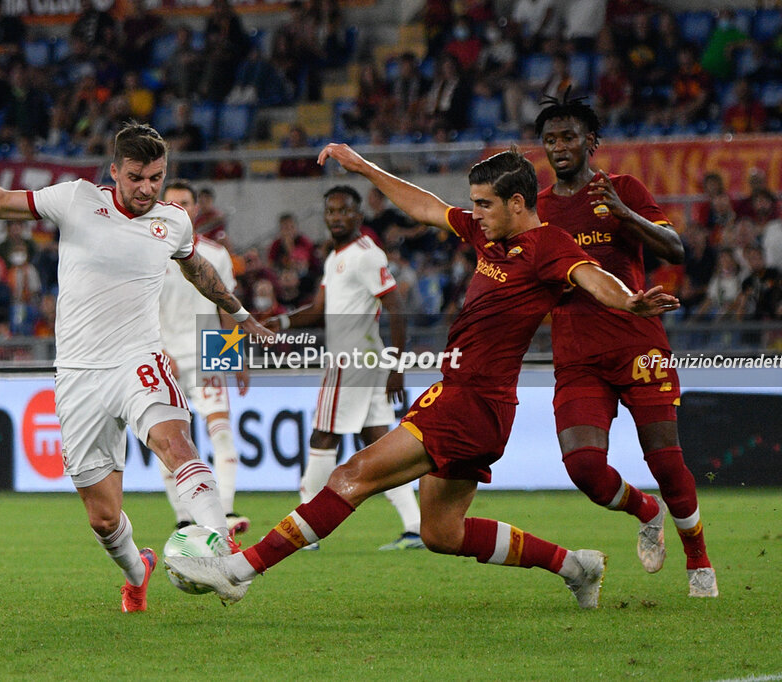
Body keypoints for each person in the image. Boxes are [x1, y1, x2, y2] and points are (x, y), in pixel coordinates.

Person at [164, 144, 678, 607]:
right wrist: (366, 168)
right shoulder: (489, 234)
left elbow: (593, 276)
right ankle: (575, 565)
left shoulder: (549, 245)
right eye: (474, 203)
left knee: (351, 475)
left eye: (484, 204)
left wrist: (631, 301)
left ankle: (238, 568)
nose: (474, 214)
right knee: (441, 531)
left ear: (518, 203)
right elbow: (426, 205)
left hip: (470, 401)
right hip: (477, 403)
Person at [0, 122, 271, 613]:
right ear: (115, 171)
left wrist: (243, 318)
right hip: (79, 372)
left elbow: (200, 272)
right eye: (137, 177)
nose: (147, 188)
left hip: (139, 357)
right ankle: (136, 570)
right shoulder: (76, 199)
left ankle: (221, 548)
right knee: (103, 518)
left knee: (176, 441)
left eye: (156, 177)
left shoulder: (174, 222)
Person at [534, 94, 717, 597]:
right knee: (584, 468)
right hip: (576, 354)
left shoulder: (625, 189)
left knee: (665, 459)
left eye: (569, 136)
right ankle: (646, 509)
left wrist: (625, 216)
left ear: (591, 141)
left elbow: (675, 248)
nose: (559, 147)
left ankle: (698, 562)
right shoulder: (539, 210)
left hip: (638, 346)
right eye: (550, 140)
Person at [266, 185, 424, 551]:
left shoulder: (366, 255)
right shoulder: (336, 256)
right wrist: (282, 323)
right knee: (380, 447)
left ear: (359, 216)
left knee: (322, 438)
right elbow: (319, 310)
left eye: (344, 211)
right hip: (362, 362)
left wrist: (398, 367)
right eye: (331, 211)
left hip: (351, 361)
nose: (337, 217)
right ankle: (415, 527)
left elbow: (397, 308)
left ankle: (302, 529)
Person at [157, 179, 251, 534]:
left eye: (186, 202)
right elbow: (138, 309)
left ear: (197, 209)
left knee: (222, 432)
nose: (179, 208)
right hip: (164, 358)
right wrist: (159, 351)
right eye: (173, 202)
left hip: (209, 349)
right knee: (171, 439)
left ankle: (224, 511)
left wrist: (236, 356)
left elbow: (226, 307)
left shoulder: (216, 254)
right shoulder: (149, 252)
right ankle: (184, 517)